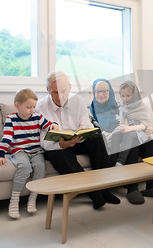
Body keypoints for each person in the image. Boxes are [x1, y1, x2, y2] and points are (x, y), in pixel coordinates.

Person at [35, 71, 120, 209]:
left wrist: (79, 136)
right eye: (55, 92)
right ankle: (94, 193)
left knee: (98, 138)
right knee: (59, 156)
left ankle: (105, 188)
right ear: (48, 90)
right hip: (57, 146)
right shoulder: (40, 107)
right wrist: (61, 144)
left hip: (78, 140)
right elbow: (43, 141)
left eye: (63, 91)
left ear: (69, 87)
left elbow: (87, 126)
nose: (60, 96)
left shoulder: (78, 101)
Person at [90, 78, 153, 205]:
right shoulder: (93, 110)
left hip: (133, 133)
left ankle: (152, 186)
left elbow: (135, 120)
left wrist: (145, 127)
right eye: (97, 92)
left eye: (105, 91)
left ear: (110, 91)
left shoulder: (120, 105)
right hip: (119, 137)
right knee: (132, 145)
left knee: (151, 145)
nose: (101, 95)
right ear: (93, 93)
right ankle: (132, 188)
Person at [0, 88, 58, 219]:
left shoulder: (37, 117)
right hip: (19, 151)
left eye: (34, 107)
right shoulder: (11, 119)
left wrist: (55, 125)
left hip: (36, 151)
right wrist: (0, 154)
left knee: (40, 167)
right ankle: (14, 201)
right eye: (28, 107)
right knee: (25, 167)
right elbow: (6, 138)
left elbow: (49, 125)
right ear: (17, 105)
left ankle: (32, 199)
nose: (32, 110)